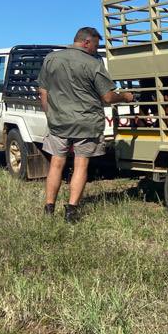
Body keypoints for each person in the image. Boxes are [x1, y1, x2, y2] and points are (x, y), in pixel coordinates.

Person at [37, 27, 134, 223]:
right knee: (81, 164)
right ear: (86, 42)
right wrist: (125, 96)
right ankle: (71, 210)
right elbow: (107, 97)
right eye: (96, 46)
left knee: (56, 163)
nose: (96, 51)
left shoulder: (51, 59)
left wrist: (50, 115)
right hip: (86, 123)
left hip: (59, 122)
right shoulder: (93, 64)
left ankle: (49, 208)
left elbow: (43, 91)